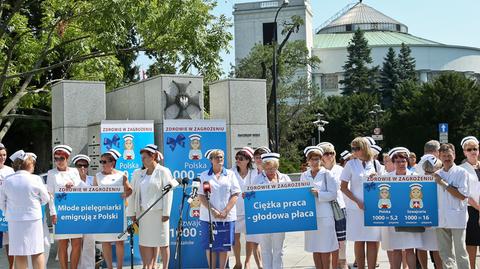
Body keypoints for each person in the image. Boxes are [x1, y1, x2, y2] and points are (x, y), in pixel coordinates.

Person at [0, 150, 50, 269]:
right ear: (29, 165)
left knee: (19, 252)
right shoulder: (36, 179)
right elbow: (46, 198)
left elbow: (2, 203)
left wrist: (10, 211)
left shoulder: (8, 180)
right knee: (36, 251)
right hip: (33, 219)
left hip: (15, 221)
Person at [127, 144, 174, 269]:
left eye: (144, 158)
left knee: (163, 243)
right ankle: (147, 266)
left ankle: (165, 267)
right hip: (143, 214)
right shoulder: (138, 173)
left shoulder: (163, 171)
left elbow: (168, 193)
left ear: (153, 157)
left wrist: (166, 213)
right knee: (145, 242)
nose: (142, 160)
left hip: (159, 214)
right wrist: (132, 212)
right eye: (141, 158)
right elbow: (133, 194)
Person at [340, 137, 381, 269]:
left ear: (364, 148)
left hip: (372, 207)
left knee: (372, 241)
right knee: (359, 240)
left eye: (356, 148)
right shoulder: (350, 164)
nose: (354, 151)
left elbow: (383, 185)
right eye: (353, 148)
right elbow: (343, 187)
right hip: (355, 207)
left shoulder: (375, 164)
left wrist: (377, 180)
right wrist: (358, 202)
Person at [381, 147, 424, 269]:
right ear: (393, 163)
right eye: (398, 161)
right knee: (396, 249)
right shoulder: (386, 177)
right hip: (393, 218)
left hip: (411, 217)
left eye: (403, 161)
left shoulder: (416, 176)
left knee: (410, 249)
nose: (401, 164)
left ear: (407, 161)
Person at [198, 149, 241, 269]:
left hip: (227, 217)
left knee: (224, 246)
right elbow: (201, 195)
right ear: (211, 160)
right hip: (209, 217)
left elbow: (235, 194)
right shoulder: (204, 175)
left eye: (221, 156)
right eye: (216, 157)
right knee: (210, 247)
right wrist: (213, 211)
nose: (220, 158)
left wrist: (226, 210)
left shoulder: (230, 174)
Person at [300, 146, 339, 269]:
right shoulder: (304, 175)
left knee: (325, 247)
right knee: (315, 247)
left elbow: (333, 195)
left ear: (321, 160)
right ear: (308, 160)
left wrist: (319, 194)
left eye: (317, 159)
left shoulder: (327, 174)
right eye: (312, 159)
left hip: (325, 215)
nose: (314, 161)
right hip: (310, 215)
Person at [433, 143, 470, 268]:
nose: (446, 158)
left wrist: (443, 183)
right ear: (439, 156)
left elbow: (462, 195)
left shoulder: (462, 173)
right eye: (443, 156)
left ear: (454, 155)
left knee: (461, 252)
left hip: (457, 217)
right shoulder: (436, 174)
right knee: (445, 253)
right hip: (441, 218)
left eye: (449, 155)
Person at [94, 149, 132, 269]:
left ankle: (119, 267)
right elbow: (93, 193)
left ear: (112, 162)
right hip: (104, 214)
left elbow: (129, 189)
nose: (103, 164)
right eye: (101, 161)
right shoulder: (97, 176)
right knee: (106, 242)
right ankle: (109, 267)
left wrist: (126, 194)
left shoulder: (122, 175)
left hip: (118, 214)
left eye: (105, 161)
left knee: (119, 241)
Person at [252, 152, 291, 269]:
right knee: (265, 249)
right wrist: (247, 196)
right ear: (263, 167)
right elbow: (252, 197)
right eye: (268, 168)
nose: (270, 170)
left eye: (273, 168)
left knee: (279, 249)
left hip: (280, 219)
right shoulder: (257, 179)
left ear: (277, 166)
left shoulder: (285, 178)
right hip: (263, 218)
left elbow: (291, 196)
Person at [47, 145, 83, 269]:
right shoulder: (51, 173)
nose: (58, 161)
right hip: (60, 212)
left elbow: (81, 188)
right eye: (56, 158)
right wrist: (53, 212)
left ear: (67, 158)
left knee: (77, 242)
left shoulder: (74, 171)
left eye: (61, 158)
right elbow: (50, 194)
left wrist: (73, 184)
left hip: (74, 211)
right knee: (62, 243)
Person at [231, 147, 263, 269]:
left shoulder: (255, 173)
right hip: (235, 209)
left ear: (248, 160)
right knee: (235, 237)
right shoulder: (231, 172)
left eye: (241, 158)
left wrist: (251, 194)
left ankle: (247, 262)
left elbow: (260, 190)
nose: (238, 160)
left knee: (251, 239)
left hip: (251, 210)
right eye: (237, 158)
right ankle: (238, 262)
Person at [318, 142, 348, 269]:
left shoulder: (341, 170)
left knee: (341, 238)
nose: (329, 156)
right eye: (326, 153)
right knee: (327, 238)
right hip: (322, 209)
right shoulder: (317, 171)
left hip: (339, 207)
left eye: (331, 153)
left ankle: (343, 261)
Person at [418, 154, 443, 269]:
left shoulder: (442, 180)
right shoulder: (420, 181)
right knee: (422, 247)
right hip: (424, 218)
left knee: (436, 248)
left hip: (437, 219)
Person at [458, 136, 480, 269]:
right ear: (464, 152)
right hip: (471, 210)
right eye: (469, 149)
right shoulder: (462, 169)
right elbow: (464, 194)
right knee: (471, 244)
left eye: (475, 149)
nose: (473, 151)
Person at [71, 154, 96, 269]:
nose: (82, 168)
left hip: (90, 216)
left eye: (85, 165)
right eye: (79, 165)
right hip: (75, 216)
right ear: (75, 167)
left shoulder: (93, 180)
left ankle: (89, 267)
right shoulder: (70, 181)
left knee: (89, 244)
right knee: (76, 245)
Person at [0, 143, 15, 269]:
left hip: (6, 211)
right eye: (0, 155)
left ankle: (12, 267)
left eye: (4, 155)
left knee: (9, 243)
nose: (2, 157)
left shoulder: (10, 171)